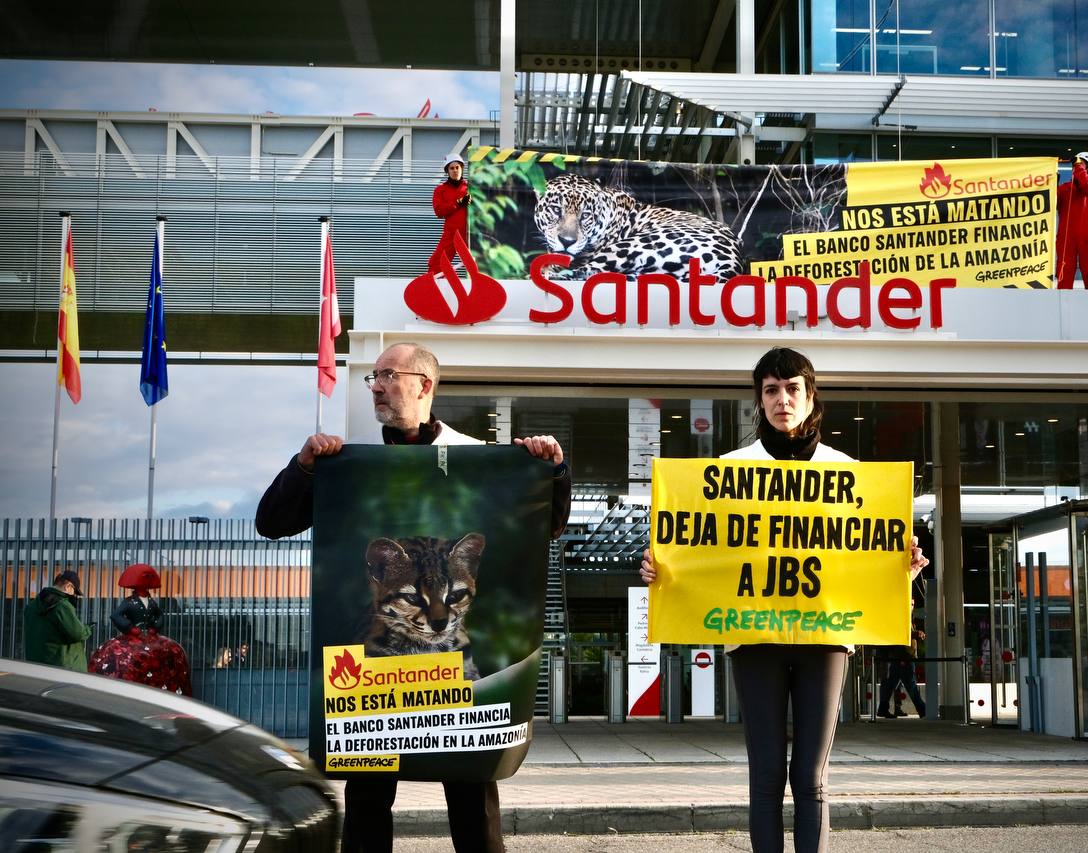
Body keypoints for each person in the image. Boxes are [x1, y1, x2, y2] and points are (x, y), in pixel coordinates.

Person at [256, 341, 572, 853]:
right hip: (375, 672)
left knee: (472, 796)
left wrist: (550, 469)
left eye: (388, 374)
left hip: (451, 672)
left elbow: (548, 527)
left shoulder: (481, 458)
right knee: (367, 800)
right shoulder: (350, 462)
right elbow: (271, 522)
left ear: (424, 384)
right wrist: (305, 466)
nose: (376, 384)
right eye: (373, 376)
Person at [639, 347, 928, 853]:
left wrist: (902, 564)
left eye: (792, 388)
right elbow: (700, 549)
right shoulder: (727, 470)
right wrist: (659, 569)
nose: (782, 399)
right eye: (771, 389)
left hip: (826, 636)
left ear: (811, 398)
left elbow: (864, 554)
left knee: (811, 776)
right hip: (753, 637)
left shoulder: (850, 473)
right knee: (767, 773)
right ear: (759, 400)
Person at [88, 562, 193, 695]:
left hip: (150, 636)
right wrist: (130, 628)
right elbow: (115, 615)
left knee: (173, 653)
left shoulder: (151, 601)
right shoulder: (129, 601)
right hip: (133, 636)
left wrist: (155, 627)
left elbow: (159, 614)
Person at [23, 569, 92, 671]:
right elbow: (78, 633)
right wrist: (87, 628)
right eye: (74, 591)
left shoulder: (31, 607)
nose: (74, 595)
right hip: (64, 670)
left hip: (37, 668)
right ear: (68, 586)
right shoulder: (62, 605)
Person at [1056, 151, 1088, 290]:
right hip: (1066, 237)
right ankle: (1061, 305)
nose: (1075, 168)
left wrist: (1078, 166)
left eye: (1081, 164)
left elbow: (1086, 185)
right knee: (1064, 273)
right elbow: (1051, 204)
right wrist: (1053, 184)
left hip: (1087, 237)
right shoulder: (1065, 188)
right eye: (1075, 166)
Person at [428, 153, 471, 280]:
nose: (455, 170)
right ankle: (436, 291)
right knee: (436, 263)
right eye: (451, 168)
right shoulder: (440, 190)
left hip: (471, 233)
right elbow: (439, 211)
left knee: (480, 264)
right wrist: (457, 203)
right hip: (451, 233)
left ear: (462, 168)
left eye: (457, 167)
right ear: (447, 171)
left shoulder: (472, 188)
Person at [876, 619, 926, 719]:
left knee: (891, 684)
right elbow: (902, 636)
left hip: (901, 657)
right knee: (910, 684)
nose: (912, 606)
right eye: (911, 604)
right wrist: (916, 634)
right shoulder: (904, 618)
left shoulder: (908, 619)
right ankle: (922, 710)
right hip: (904, 657)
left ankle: (883, 708)